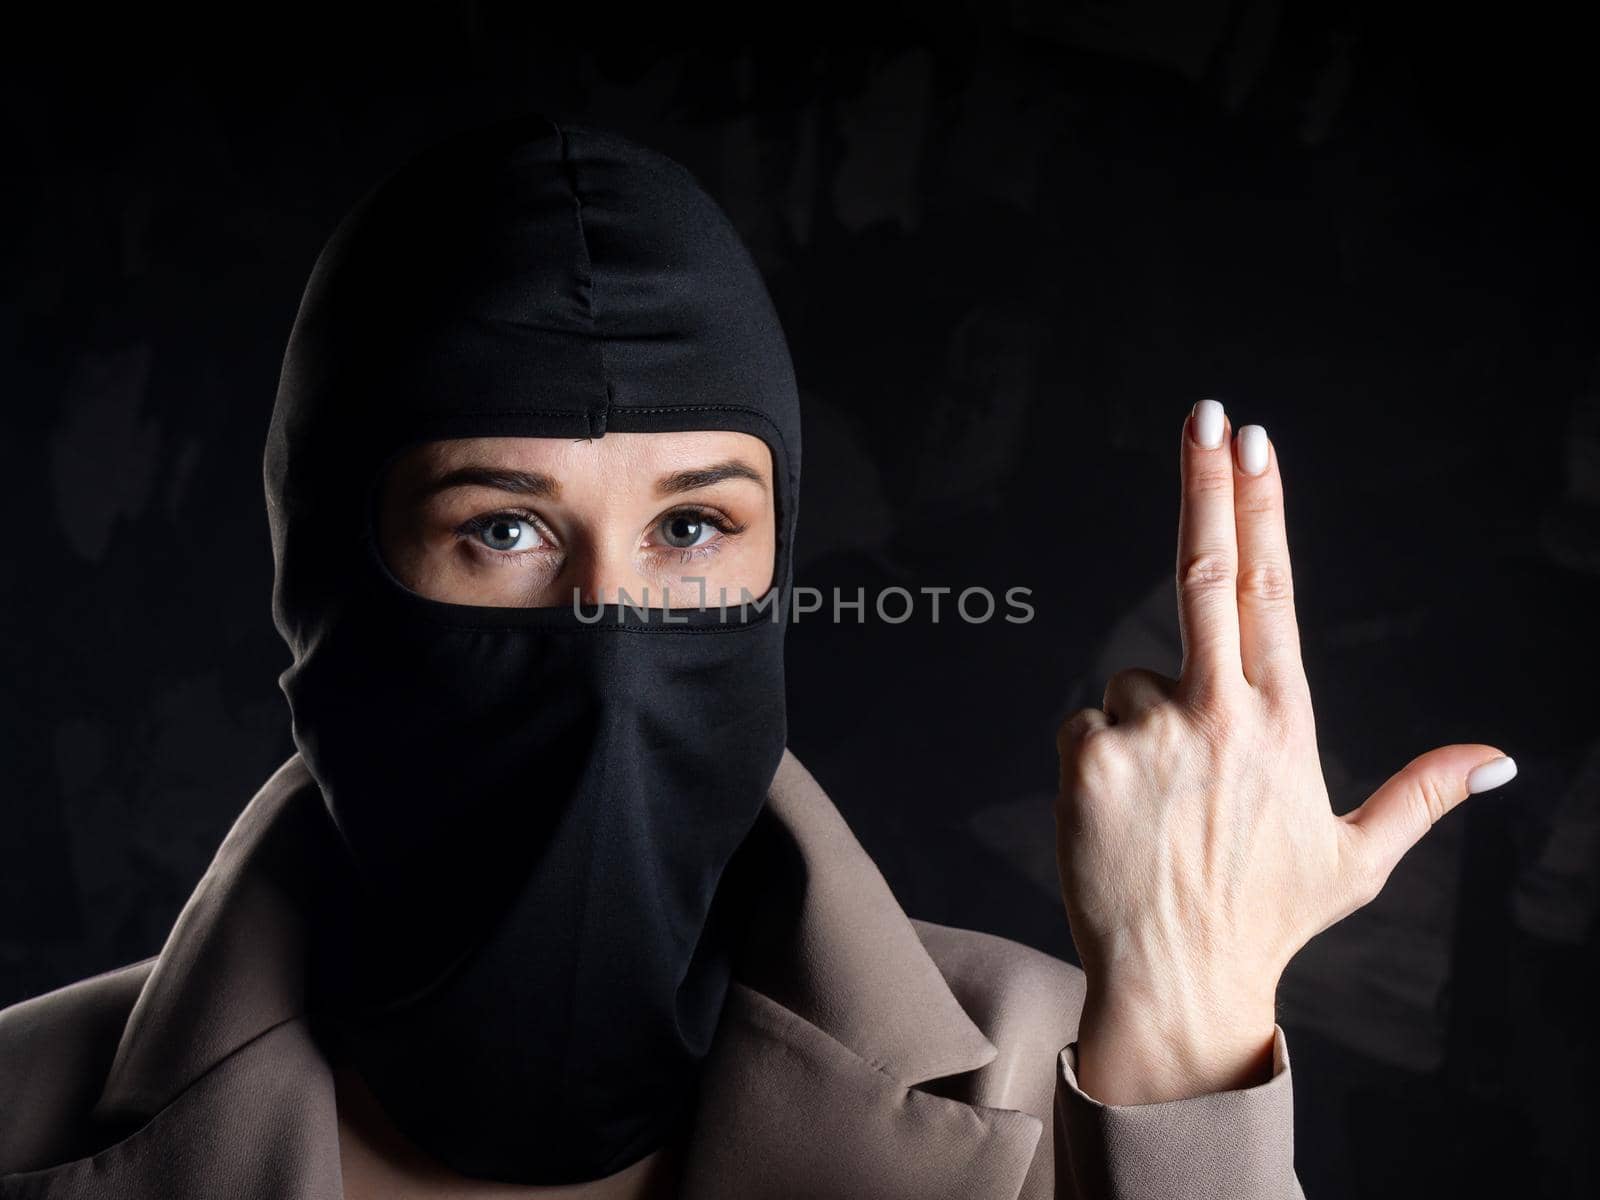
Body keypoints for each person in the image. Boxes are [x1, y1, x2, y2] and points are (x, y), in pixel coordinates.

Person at [0, 116, 1516, 1200]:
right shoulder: (21, 1116)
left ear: (778, 561)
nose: (611, 647)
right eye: (505, 530)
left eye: (691, 531)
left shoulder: (1077, 1078)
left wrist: (1187, 1066)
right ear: (328, 574)